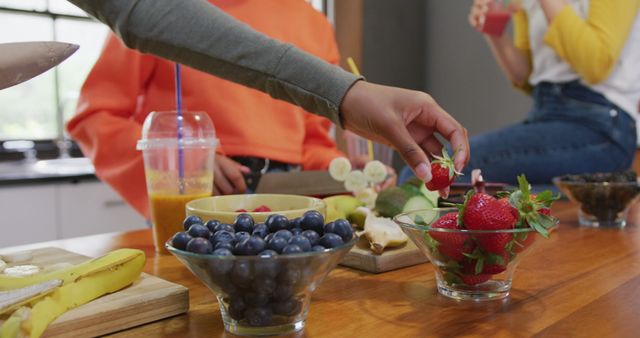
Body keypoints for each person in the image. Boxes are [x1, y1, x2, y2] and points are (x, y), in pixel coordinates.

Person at [66, 0, 470, 191]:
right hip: (195, 196)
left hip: (290, 194)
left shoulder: (311, 22)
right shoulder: (163, 15)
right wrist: (178, 162)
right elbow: (96, 117)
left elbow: (311, 140)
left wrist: (345, 170)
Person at [399, 0, 640, 186]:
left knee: (422, 174)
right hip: (547, 114)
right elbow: (525, 76)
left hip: (603, 127)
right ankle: (588, 194)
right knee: (502, 196)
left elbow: (595, 64)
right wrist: (494, 32)